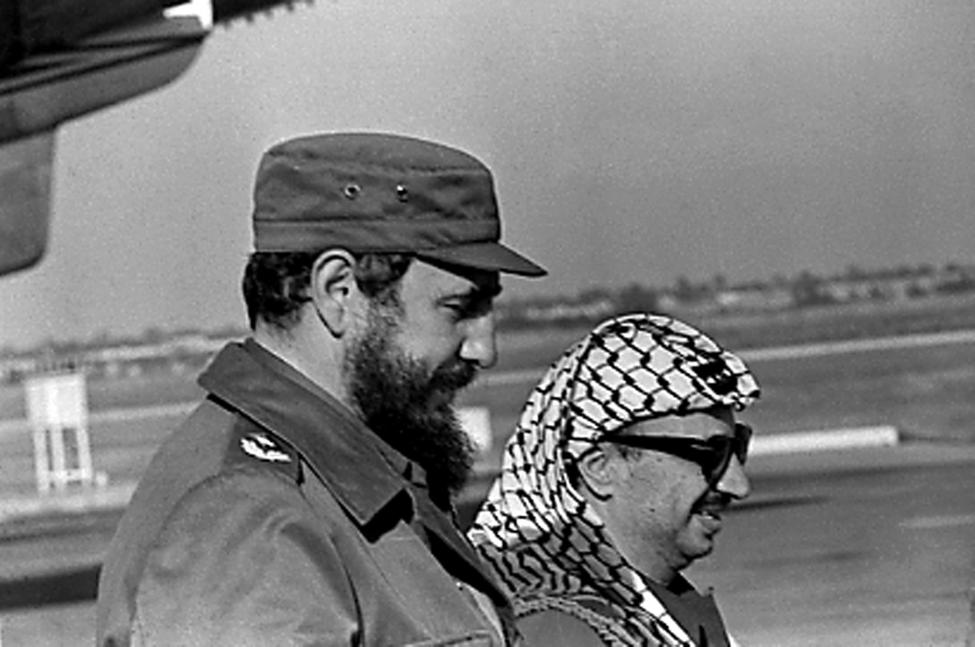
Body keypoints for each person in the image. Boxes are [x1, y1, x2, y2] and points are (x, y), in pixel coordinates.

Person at [96, 132, 546, 646]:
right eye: (458, 308)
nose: (484, 350)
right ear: (339, 290)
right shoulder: (248, 518)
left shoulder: (337, 486)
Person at [468, 313, 760, 647]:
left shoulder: (650, 610)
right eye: (711, 453)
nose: (737, 486)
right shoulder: (556, 628)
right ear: (600, 467)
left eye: (737, 446)